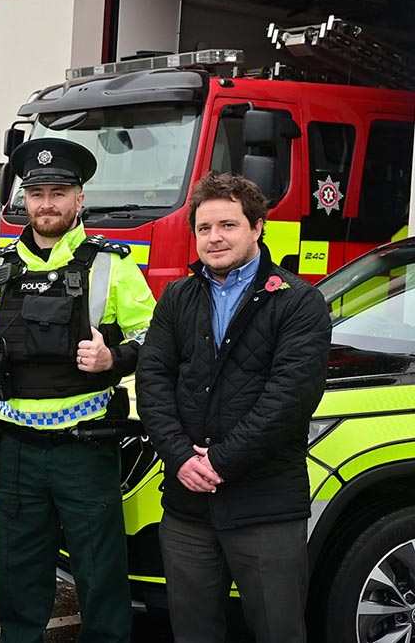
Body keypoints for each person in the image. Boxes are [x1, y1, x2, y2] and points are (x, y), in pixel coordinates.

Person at [0, 137, 155, 643]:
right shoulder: (0, 269)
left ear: (79, 200)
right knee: (20, 577)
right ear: (26, 198)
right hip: (18, 450)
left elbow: (153, 337)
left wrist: (113, 358)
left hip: (84, 447)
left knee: (100, 574)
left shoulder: (112, 264)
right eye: (38, 192)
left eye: (59, 192)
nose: (47, 203)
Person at [136, 172, 331, 643]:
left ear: (257, 227)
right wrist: (180, 457)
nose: (214, 238)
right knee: (192, 631)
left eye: (227, 225)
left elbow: (290, 398)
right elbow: (153, 379)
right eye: (204, 228)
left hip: (265, 506)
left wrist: (219, 461)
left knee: (278, 631)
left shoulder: (299, 302)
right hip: (187, 509)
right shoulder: (179, 296)